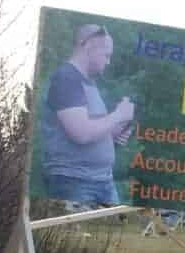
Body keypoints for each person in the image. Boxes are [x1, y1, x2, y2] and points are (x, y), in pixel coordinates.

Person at [40, 24, 134, 206]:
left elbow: (93, 128)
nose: (108, 62)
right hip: (74, 181)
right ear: (89, 46)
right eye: (106, 55)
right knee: (75, 233)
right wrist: (117, 115)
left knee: (116, 231)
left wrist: (115, 132)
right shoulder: (66, 79)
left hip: (101, 180)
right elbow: (81, 133)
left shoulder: (88, 82)